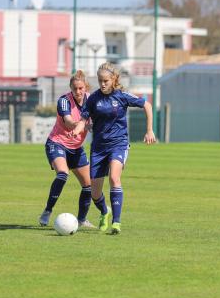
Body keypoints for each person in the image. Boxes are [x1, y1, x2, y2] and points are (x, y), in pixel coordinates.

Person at [72, 62, 156, 234]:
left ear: (114, 79)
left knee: (114, 178)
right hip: (98, 148)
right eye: (100, 81)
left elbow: (147, 105)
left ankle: (116, 222)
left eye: (106, 81)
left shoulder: (122, 96)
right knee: (95, 193)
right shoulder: (93, 99)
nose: (102, 84)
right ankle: (105, 211)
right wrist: (77, 129)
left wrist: (149, 130)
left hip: (119, 144)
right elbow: (83, 119)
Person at [39, 70, 95, 229]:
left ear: (85, 87)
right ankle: (47, 211)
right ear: (71, 88)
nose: (78, 92)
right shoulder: (64, 100)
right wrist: (86, 125)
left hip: (76, 148)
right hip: (57, 143)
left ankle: (82, 219)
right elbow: (69, 122)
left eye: (81, 88)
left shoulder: (91, 100)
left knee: (88, 184)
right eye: (75, 88)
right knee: (63, 174)